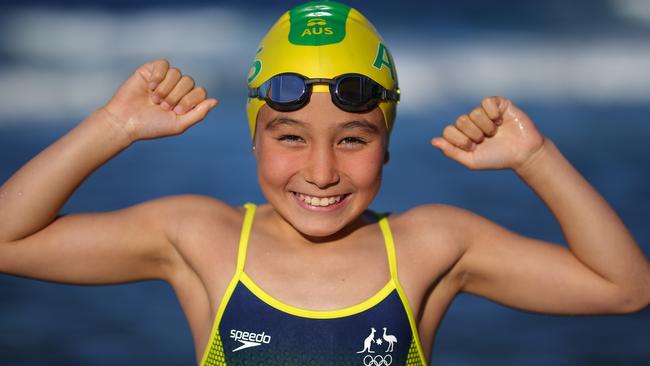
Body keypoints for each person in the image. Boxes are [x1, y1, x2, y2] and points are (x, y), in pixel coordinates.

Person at [1, 1, 648, 365]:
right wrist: (112, 125)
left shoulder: (430, 245)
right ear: (253, 138)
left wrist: (536, 158)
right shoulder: (201, 236)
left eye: (353, 139)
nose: (320, 170)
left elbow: (623, 289)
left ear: (387, 144)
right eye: (290, 137)